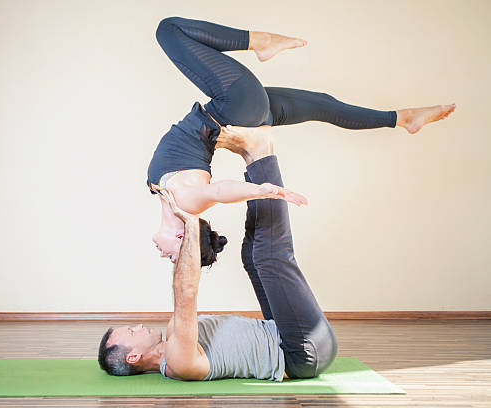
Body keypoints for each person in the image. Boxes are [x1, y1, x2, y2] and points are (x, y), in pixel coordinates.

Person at [148, 16, 455, 267]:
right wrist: (261, 190)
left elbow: (214, 190)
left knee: (322, 104)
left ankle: (402, 119)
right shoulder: (185, 204)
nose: (164, 256)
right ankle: (261, 42)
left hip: (238, 113)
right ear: (180, 237)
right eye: (172, 256)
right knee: (168, 30)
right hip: (233, 106)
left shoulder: (167, 196)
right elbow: (220, 191)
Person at [101, 128, 337, 380]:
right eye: (132, 332)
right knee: (271, 257)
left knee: (252, 257)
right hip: (301, 353)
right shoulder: (178, 362)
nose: (138, 326)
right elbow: (186, 294)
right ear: (133, 357)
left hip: (281, 333)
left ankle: (254, 159)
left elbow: (185, 294)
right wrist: (189, 220)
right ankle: (261, 153)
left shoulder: (174, 335)